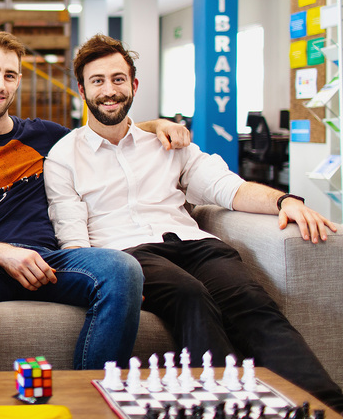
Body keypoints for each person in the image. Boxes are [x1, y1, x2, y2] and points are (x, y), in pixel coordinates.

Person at [44, 33, 343, 411]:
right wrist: (107, 280)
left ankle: (327, 406)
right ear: (82, 90)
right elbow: (72, 238)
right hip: (128, 257)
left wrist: (283, 200)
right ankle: (229, 407)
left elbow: (226, 187)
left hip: (193, 245)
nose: (109, 90)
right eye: (98, 81)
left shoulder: (167, 143)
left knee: (252, 303)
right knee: (189, 294)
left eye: (118, 79)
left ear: (133, 85)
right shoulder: (63, 157)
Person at [0, 31, 190, 371]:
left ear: (18, 82)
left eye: (10, 75)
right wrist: (5, 253)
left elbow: (107, 127)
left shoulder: (48, 136)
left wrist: (157, 124)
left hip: (53, 263)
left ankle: (90, 400)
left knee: (123, 269)